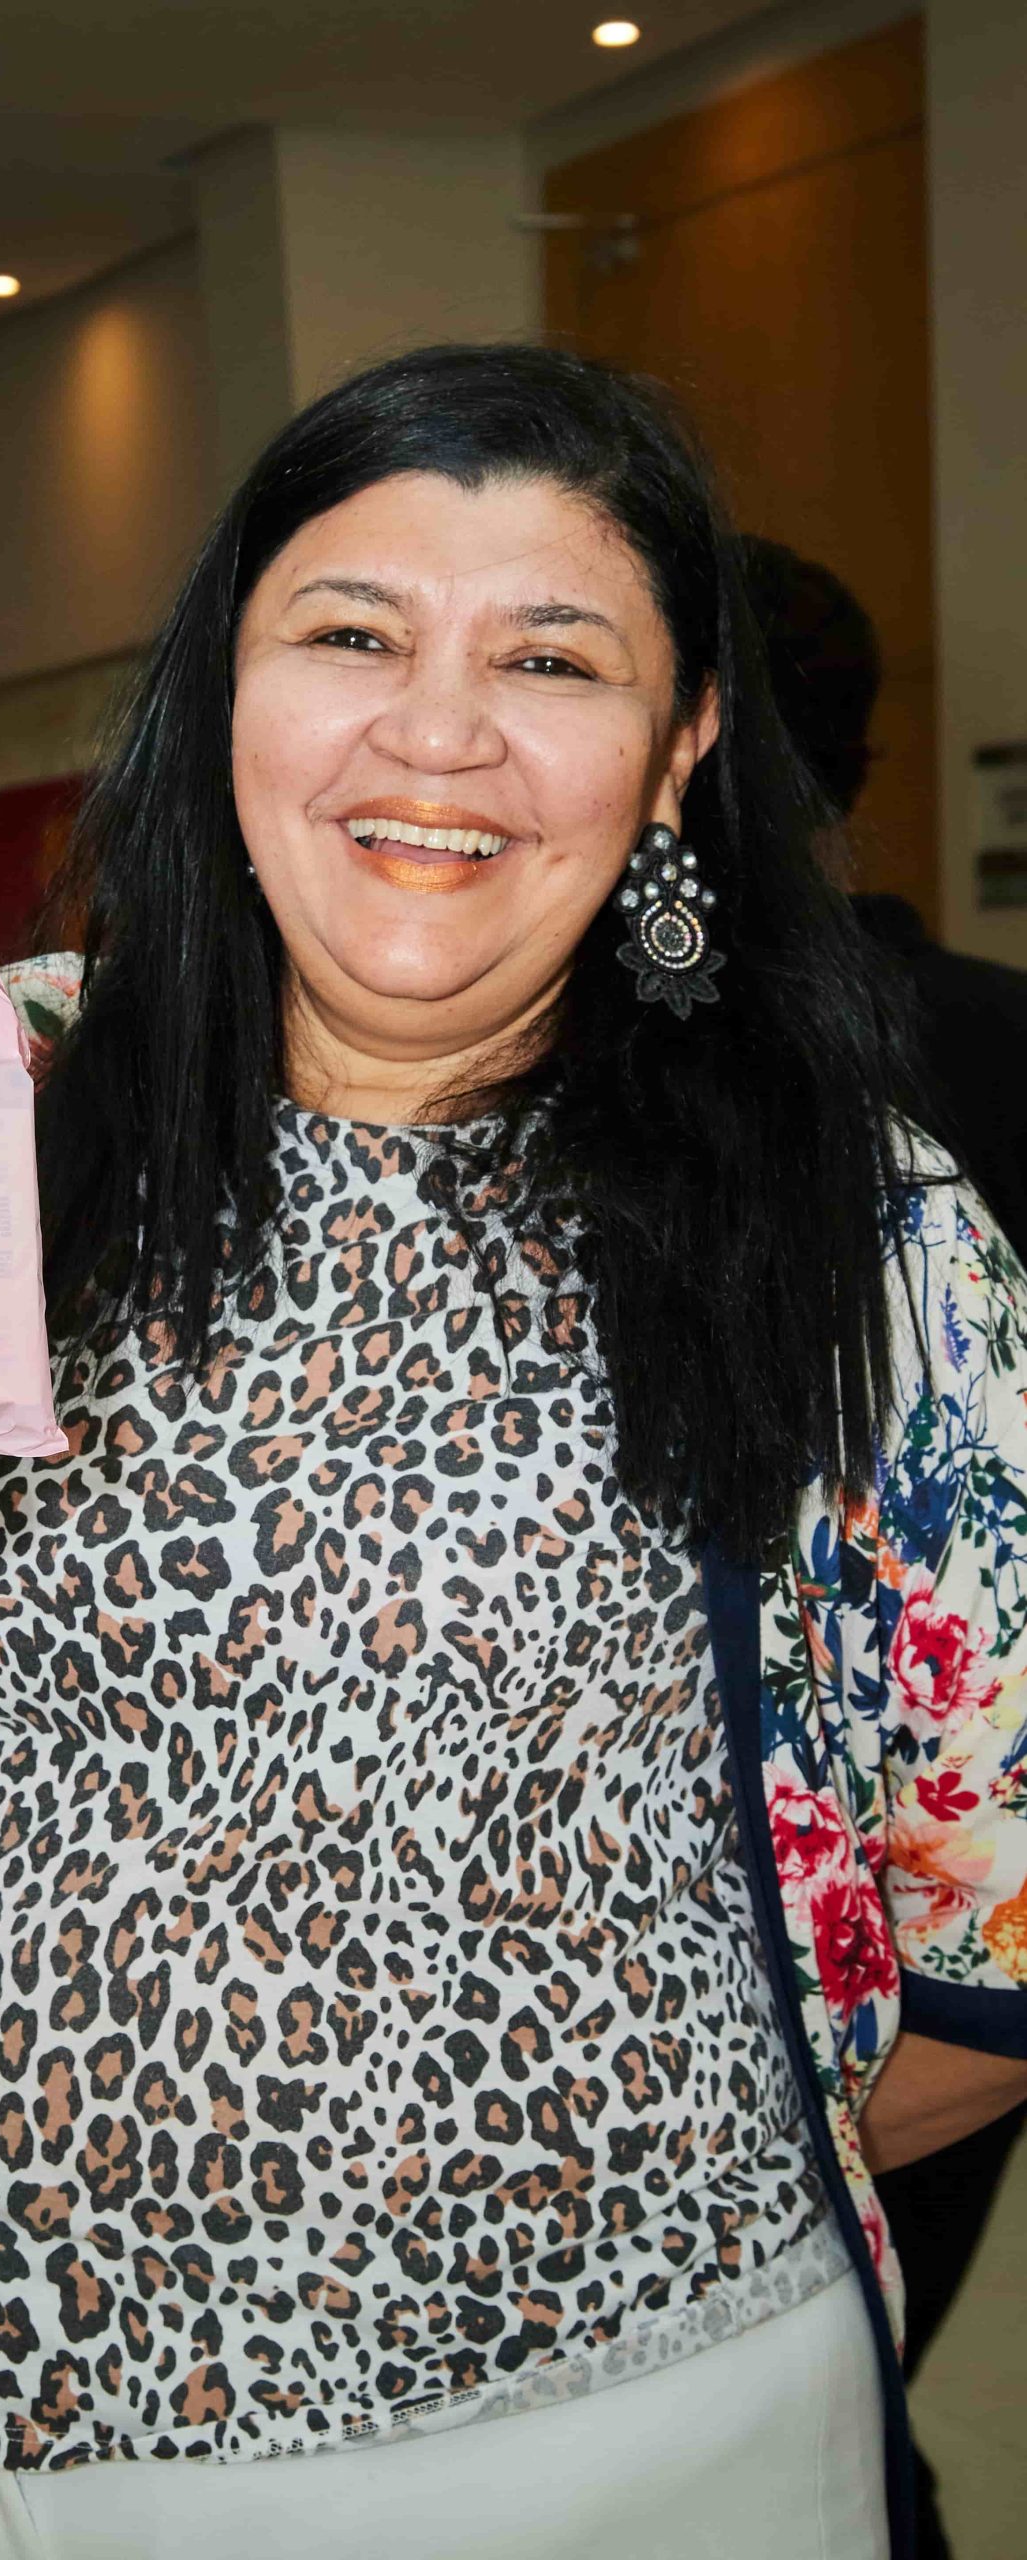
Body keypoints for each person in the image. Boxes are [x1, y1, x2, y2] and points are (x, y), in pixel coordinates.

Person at [0, 347, 1027, 2560]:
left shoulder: (855, 1231)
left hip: (600, 2438)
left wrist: (579, 2228)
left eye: (550, 657)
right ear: (220, 692)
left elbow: (991, 1956)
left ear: (681, 748)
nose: (437, 733)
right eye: (348, 633)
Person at [741, 530, 1027, 2560]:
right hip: (969, 1892)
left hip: (824, 1917)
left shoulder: (671, 1074)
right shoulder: (999, 1030)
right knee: (851, 2387)